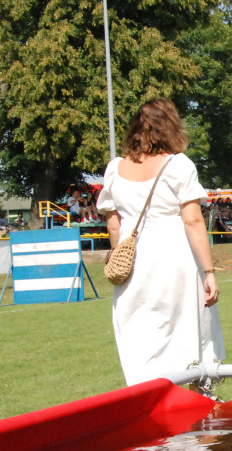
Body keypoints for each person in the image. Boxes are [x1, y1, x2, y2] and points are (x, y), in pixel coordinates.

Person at [96, 98, 224, 388]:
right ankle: (195, 392)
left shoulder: (115, 168)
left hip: (134, 263)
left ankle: (146, 395)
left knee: (139, 332)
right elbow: (192, 221)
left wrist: (119, 256)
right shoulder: (179, 165)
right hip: (173, 259)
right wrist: (209, 271)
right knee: (186, 331)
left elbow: (113, 222)